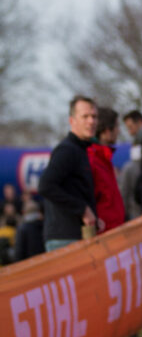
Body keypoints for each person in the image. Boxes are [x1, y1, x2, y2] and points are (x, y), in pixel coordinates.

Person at [38, 95, 99, 252]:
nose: (91, 121)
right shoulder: (67, 150)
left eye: (94, 116)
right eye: (85, 116)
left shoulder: (81, 150)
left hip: (75, 236)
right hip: (64, 239)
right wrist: (82, 209)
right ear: (72, 121)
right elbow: (46, 185)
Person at [87, 107, 126, 233]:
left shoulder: (105, 159)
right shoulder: (92, 159)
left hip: (114, 232)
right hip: (104, 237)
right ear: (107, 131)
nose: (119, 131)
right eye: (117, 127)